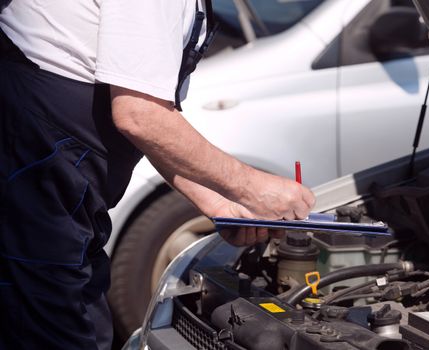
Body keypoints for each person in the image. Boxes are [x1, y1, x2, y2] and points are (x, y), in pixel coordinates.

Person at [0, 0, 315, 348]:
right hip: (36, 173)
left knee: (87, 328)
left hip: (65, 188)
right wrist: (254, 188)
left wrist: (218, 203)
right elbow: (140, 116)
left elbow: (144, 118)